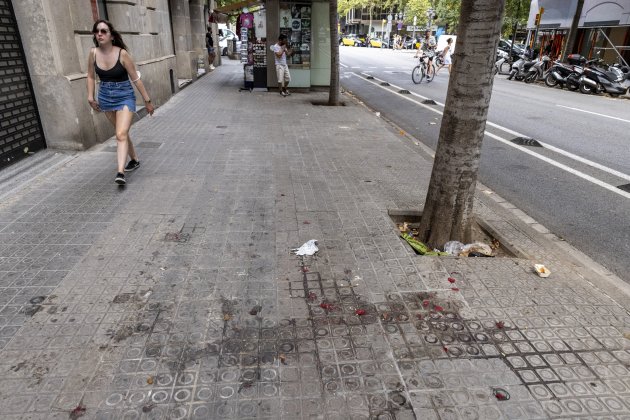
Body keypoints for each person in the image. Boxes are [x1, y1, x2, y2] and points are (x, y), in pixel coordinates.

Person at [87, 19, 154, 185]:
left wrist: (147, 101)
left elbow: (136, 79)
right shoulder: (93, 53)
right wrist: (90, 96)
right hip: (105, 97)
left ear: (111, 35)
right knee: (122, 133)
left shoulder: (122, 54)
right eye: (97, 31)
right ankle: (135, 159)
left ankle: (120, 172)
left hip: (124, 95)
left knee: (120, 134)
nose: (100, 34)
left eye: (104, 31)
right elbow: (89, 75)